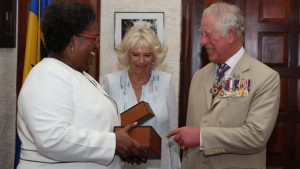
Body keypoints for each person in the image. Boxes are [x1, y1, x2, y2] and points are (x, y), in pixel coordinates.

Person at [17, 1, 146, 169]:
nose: (98, 45)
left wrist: (121, 150)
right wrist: (113, 143)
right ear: (72, 41)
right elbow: (52, 138)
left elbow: (91, 128)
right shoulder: (47, 76)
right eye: (95, 38)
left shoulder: (78, 74)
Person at [167, 2, 280, 169]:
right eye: (201, 34)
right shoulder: (199, 76)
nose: (202, 42)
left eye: (208, 34)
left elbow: (256, 136)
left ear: (231, 35)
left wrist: (201, 137)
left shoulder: (265, 78)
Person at [103, 26, 181, 169]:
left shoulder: (166, 82)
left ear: (154, 57)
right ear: (127, 55)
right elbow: (104, 129)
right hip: (121, 163)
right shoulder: (111, 82)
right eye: (135, 54)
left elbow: (173, 132)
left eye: (147, 55)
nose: (141, 61)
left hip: (159, 164)